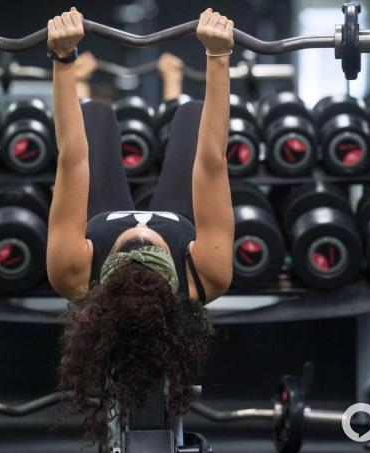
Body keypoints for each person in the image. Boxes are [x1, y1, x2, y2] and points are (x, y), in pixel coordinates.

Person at [45, 7, 235, 443]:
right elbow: (211, 163)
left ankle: (92, 78)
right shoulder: (207, 271)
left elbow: (71, 159)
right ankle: (172, 86)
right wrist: (219, 57)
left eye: (131, 245)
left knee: (95, 118)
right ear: (173, 282)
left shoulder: (73, 271)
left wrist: (64, 59)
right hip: (181, 213)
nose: (143, 233)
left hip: (100, 211)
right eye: (152, 247)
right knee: (193, 115)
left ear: (102, 280)